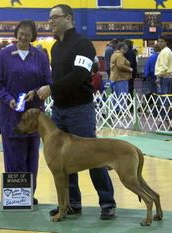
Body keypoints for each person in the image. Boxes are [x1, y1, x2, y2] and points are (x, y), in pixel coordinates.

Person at [37, 4, 116, 220]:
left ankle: (107, 202)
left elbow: (80, 74)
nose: (50, 22)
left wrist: (52, 89)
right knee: (63, 162)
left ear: (69, 19)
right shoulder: (55, 47)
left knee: (94, 157)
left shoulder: (83, 44)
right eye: (49, 18)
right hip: (59, 110)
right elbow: (59, 77)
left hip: (80, 108)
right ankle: (71, 204)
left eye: (55, 17)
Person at [0, 20, 51, 205]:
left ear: (33, 36)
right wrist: (8, 98)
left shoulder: (41, 56)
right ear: (16, 33)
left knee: (31, 157)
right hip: (11, 115)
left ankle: (29, 195)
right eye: (20, 33)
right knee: (13, 156)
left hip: (34, 115)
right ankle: (16, 197)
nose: (23, 37)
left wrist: (37, 91)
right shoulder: (4, 54)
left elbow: (48, 81)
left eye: (27, 34)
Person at [110, 42, 133, 113]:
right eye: (125, 49)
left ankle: (115, 110)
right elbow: (120, 66)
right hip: (121, 78)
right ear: (121, 49)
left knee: (116, 96)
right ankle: (121, 110)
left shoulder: (114, 54)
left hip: (114, 77)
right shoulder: (120, 56)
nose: (125, 51)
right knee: (122, 95)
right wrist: (129, 69)